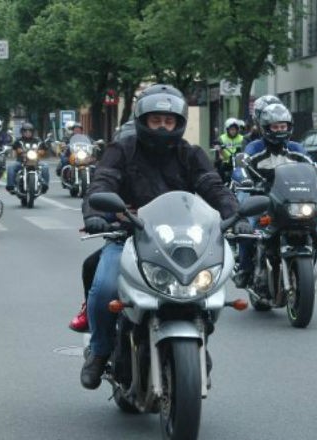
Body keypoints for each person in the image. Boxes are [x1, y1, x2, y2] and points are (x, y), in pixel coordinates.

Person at [78, 83, 251, 390]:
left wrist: (236, 216)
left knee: (207, 289)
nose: (161, 126)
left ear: (178, 123)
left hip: (182, 240)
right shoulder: (122, 150)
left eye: (168, 121)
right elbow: (102, 182)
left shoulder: (190, 154)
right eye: (155, 119)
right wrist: (95, 212)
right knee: (105, 288)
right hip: (129, 236)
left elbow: (213, 186)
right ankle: (100, 351)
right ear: (142, 120)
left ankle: (199, 342)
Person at [233, 103, 317, 288]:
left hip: (287, 200)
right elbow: (240, 167)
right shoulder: (254, 148)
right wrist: (245, 180)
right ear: (265, 128)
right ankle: (245, 269)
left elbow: (313, 167)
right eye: (275, 127)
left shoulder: (296, 148)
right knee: (250, 230)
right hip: (262, 197)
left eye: (283, 126)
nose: (280, 130)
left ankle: (306, 269)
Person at [6, 122, 50, 194]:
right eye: (25, 131)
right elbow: (16, 147)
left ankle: (45, 185)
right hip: (21, 162)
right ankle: (11, 186)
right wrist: (20, 151)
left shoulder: (38, 140)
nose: (27, 133)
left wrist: (40, 151)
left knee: (45, 166)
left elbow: (44, 148)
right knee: (10, 167)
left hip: (36, 162)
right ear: (22, 132)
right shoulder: (19, 141)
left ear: (32, 132)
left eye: (29, 131)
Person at [212, 117, 243, 184]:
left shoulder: (241, 138)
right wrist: (217, 146)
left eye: (235, 129)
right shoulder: (222, 138)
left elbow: (245, 145)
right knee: (220, 166)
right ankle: (220, 183)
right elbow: (217, 145)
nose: (233, 131)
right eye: (231, 129)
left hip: (238, 160)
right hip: (226, 160)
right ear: (227, 129)